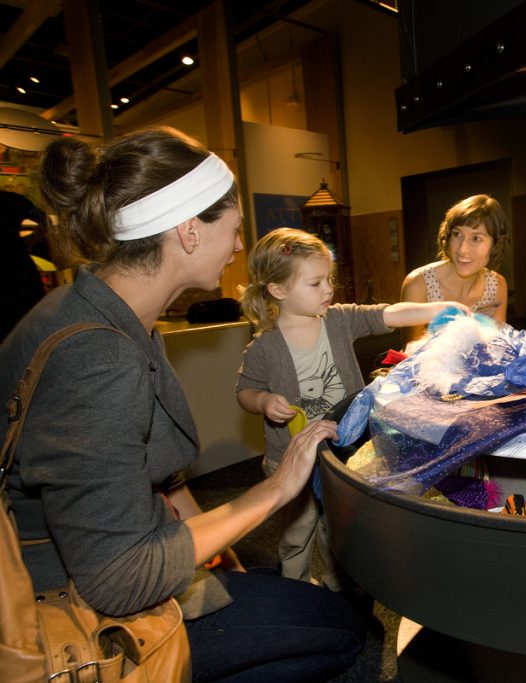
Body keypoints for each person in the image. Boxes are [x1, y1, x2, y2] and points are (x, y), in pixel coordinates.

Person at [0, 126, 364, 682]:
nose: (240, 247)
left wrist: (221, 555)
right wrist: (276, 488)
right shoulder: (98, 355)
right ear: (190, 231)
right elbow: (119, 578)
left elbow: (160, 478)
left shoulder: (107, 312)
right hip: (70, 607)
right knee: (345, 631)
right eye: (235, 230)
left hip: (127, 547)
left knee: (275, 591)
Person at [236, 227, 469, 591]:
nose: (328, 289)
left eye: (328, 279)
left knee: (341, 529)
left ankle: (339, 590)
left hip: (342, 452)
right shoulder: (264, 347)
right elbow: (245, 391)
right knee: (298, 533)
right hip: (291, 459)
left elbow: (388, 314)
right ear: (278, 290)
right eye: (315, 283)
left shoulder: (339, 318)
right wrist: (263, 401)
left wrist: (436, 308)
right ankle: (295, 591)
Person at [400, 194, 509, 342]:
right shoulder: (418, 284)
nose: (463, 249)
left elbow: (498, 348)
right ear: (447, 236)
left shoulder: (497, 285)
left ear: (495, 245)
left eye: (476, 238)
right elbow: (410, 353)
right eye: (457, 234)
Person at [0, 190, 47, 342]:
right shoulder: (10, 200)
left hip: (18, 277)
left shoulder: (10, 200)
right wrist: (30, 244)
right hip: (19, 276)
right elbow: (45, 223)